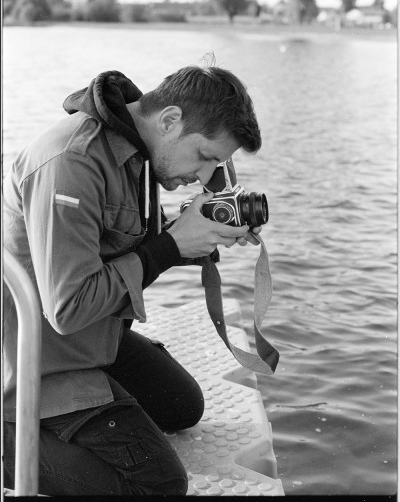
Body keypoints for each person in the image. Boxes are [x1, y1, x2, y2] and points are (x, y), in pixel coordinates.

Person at [3, 64, 263, 496]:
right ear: (170, 120)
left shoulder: (135, 153)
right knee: (159, 484)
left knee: (182, 406)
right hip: (37, 357)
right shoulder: (72, 162)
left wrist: (200, 239)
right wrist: (172, 246)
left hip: (93, 336)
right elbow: (68, 307)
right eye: (205, 156)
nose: (204, 176)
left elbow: (128, 247)